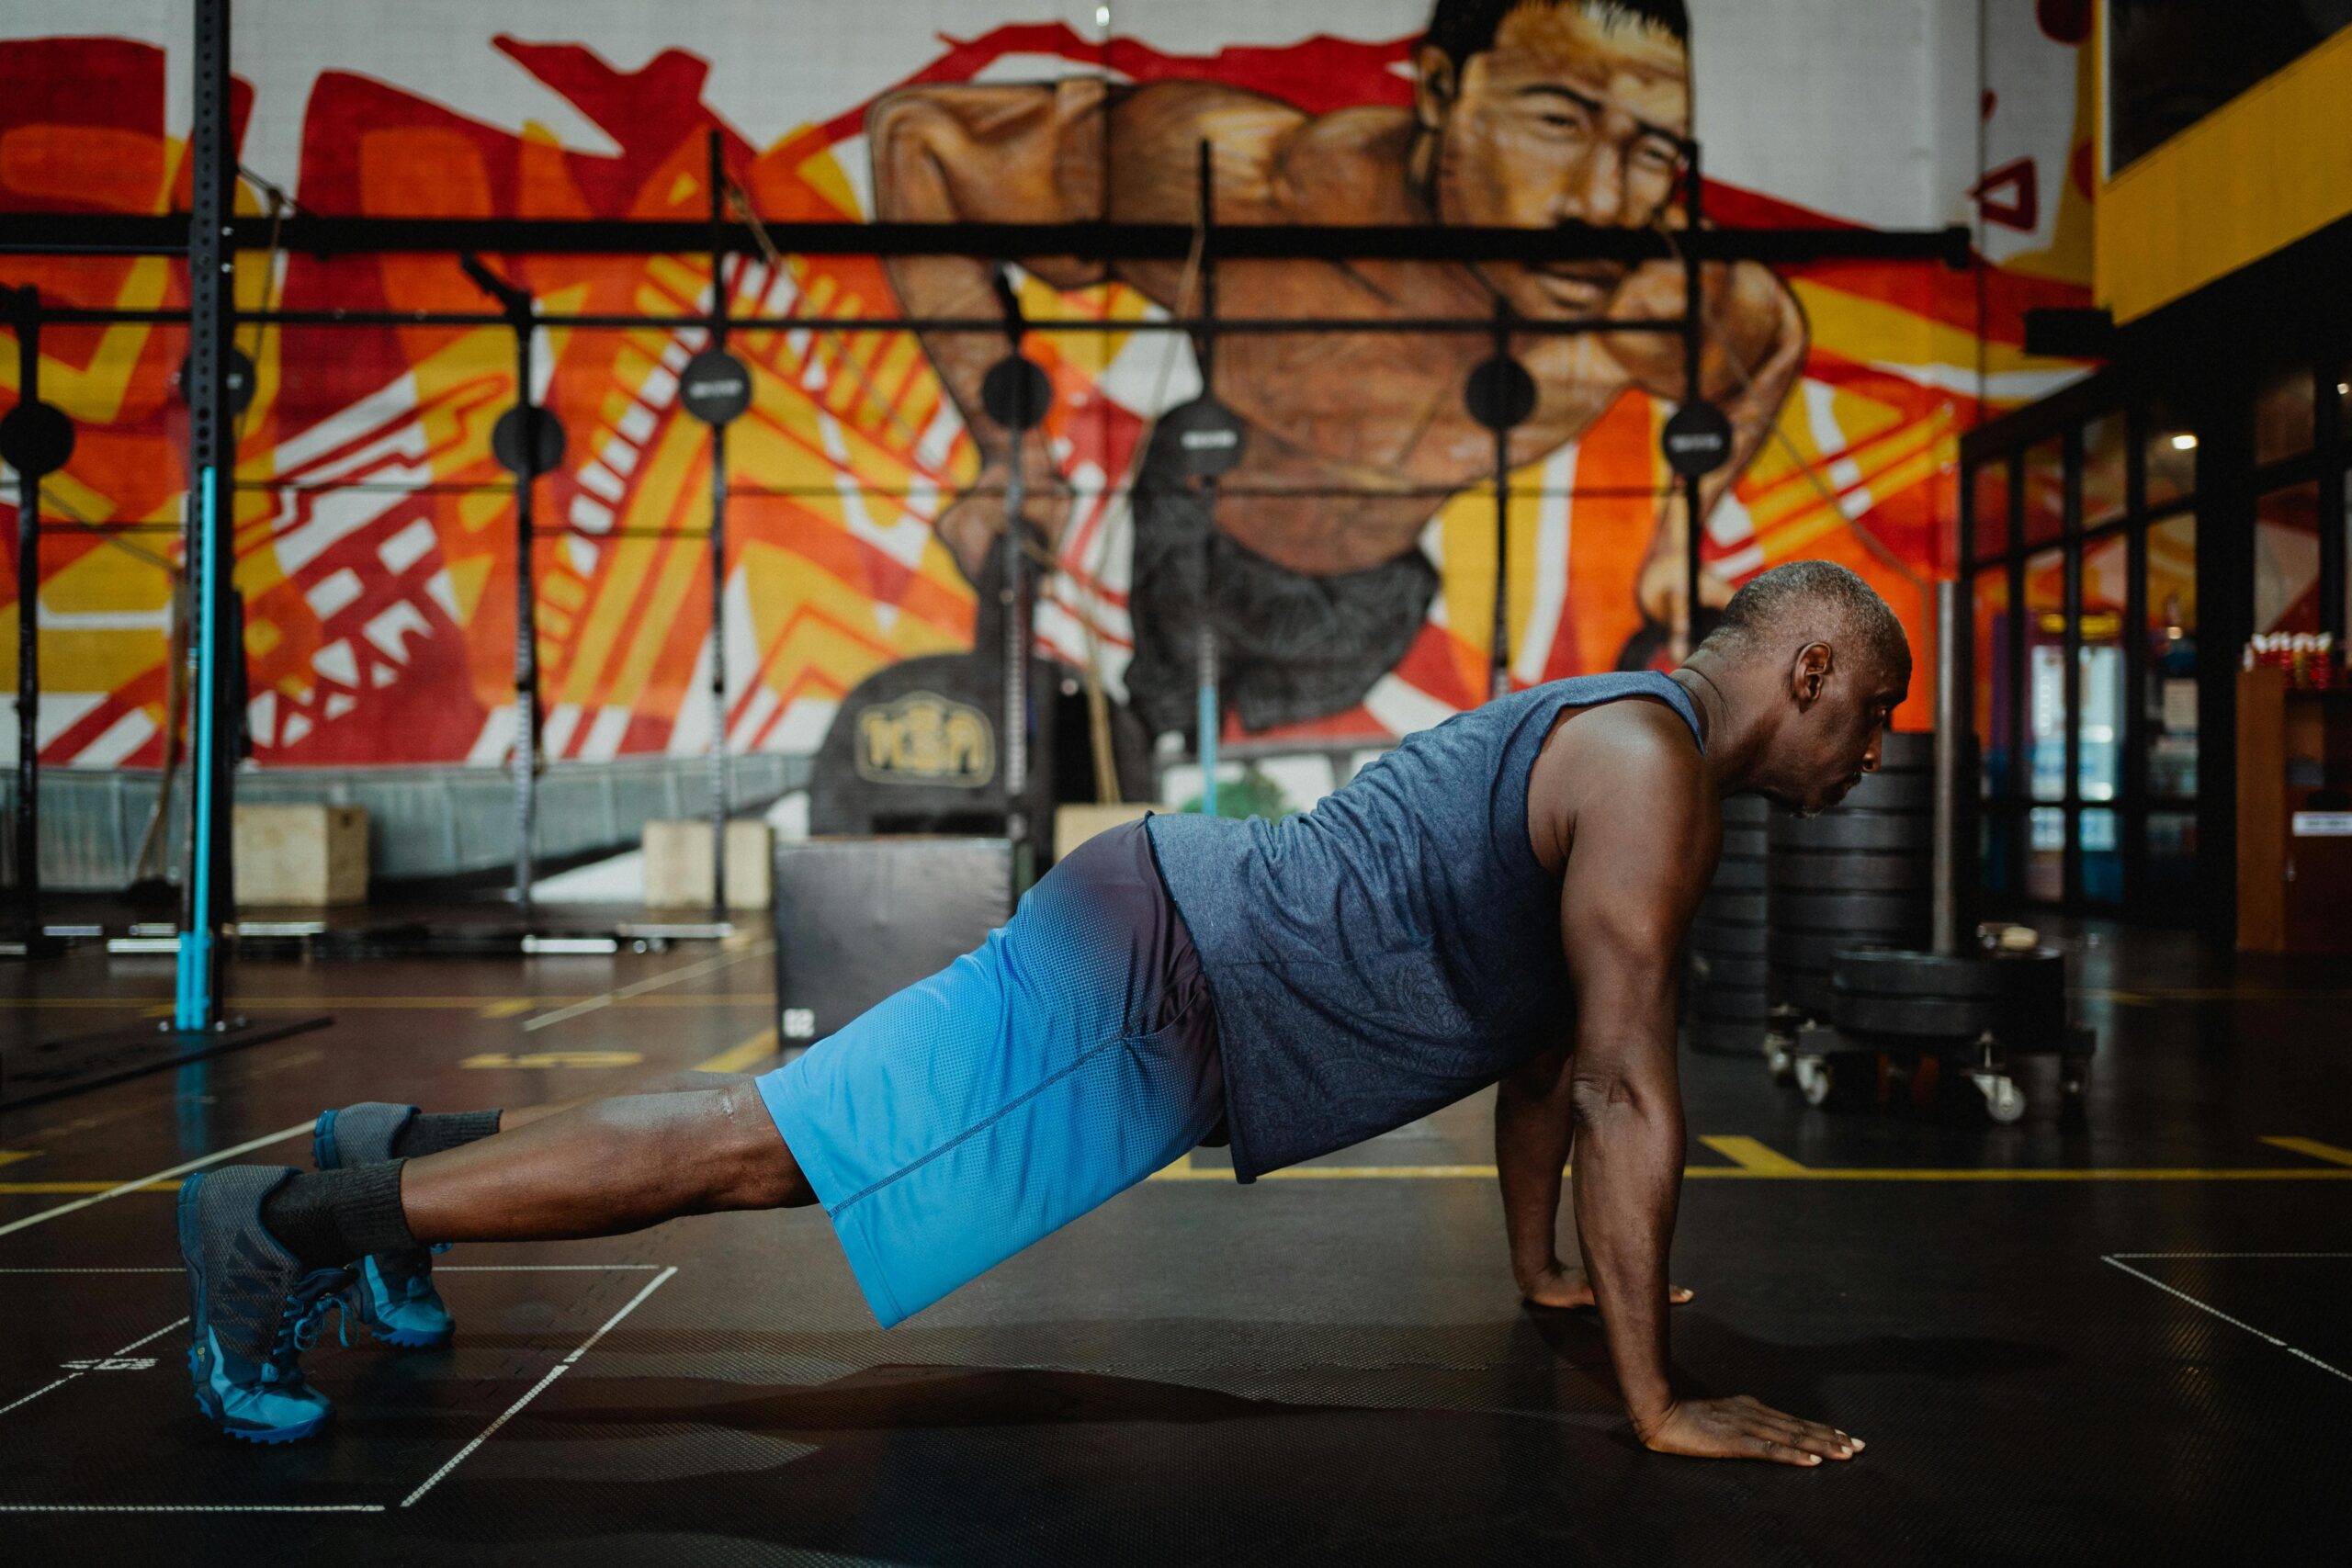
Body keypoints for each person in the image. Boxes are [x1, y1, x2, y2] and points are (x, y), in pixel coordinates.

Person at [178, 558, 1903, 1465]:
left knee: (778, 1144)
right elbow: (1615, 1081)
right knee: (759, 1149)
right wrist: (1655, 1398)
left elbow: (1539, 1055)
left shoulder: (1623, 746)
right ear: (1808, 669)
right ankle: (284, 1222)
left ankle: (378, 1162)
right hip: (1161, 986)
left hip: (1168, 954)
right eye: (1872, 716)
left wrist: (1544, 1272)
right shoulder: (1651, 761)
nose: (1871, 759)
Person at [868, 0, 1806, 734]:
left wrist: (1677, 545)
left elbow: (1770, 351)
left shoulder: (1661, 295)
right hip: (1193, 539)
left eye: (1652, 151)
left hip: (1377, 602)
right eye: (1557, 119)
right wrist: (1007, 449)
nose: (1605, 201)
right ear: (1440, 89)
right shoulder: (1251, 193)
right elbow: (925, 140)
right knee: (1156, 749)